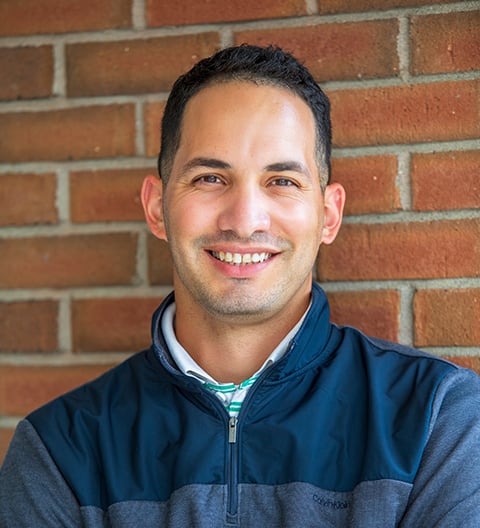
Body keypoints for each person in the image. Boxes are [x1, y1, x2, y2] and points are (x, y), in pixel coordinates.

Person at [0, 44, 479, 527]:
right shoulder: (59, 452)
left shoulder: (436, 417)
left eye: (282, 181)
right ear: (157, 207)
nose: (245, 220)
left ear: (328, 214)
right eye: (210, 178)